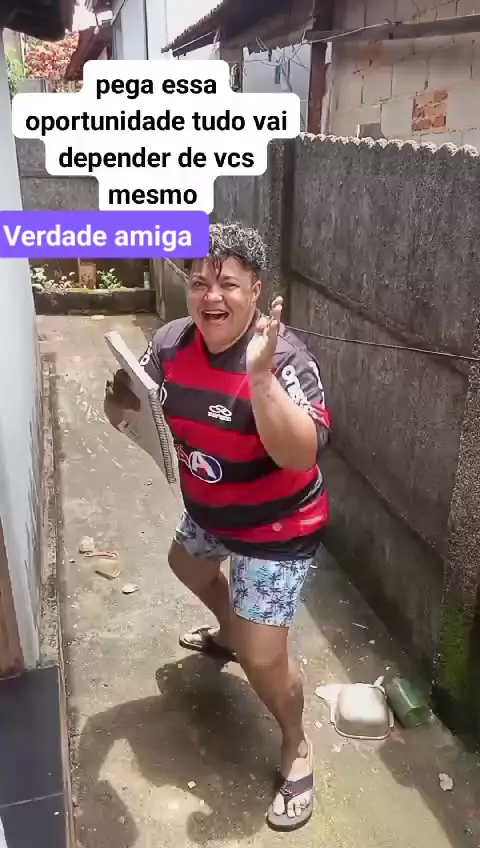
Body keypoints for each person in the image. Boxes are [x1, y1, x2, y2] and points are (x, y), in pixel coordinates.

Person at [104, 222, 331, 832]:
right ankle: (232, 630)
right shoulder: (171, 343)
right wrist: (121, 400)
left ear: (256, 290)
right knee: (186, 564)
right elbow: (127, 415)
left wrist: (259, 379)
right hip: (211, 508)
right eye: (200, 281)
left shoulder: (284, 359)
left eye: (228, 283)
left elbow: (301, 453)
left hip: (277, 526)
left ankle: (296, 747)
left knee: (264, 658)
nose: (211, 296)